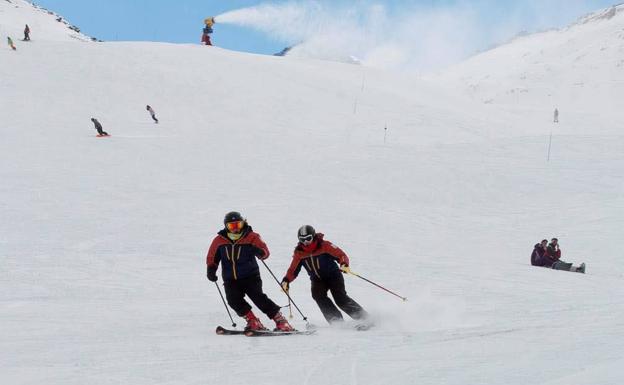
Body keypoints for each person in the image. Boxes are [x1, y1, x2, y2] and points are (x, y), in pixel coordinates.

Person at [206, 211, 294, 331]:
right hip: (230, 278)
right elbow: (212, 257)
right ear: (226, 226)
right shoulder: (219, 240)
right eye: (232, 226)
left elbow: (265, 251)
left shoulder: (251, 236)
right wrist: (211, 269)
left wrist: (260, 252)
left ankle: (281, 321)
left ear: (243, 224)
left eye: (238, 225)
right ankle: (253, 321)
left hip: (250, 276)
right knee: (233, 300)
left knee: (258, 298)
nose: (235, 229)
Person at [281, 225, 368, 324]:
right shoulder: (300, 253)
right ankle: (336, 320)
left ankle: (363, 318)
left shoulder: (324, 245)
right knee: (318, 295)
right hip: (317, 279)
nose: (305, 242)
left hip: (333, 276)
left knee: (340, 299)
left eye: (308, 238)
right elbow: (293, 269)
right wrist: (286, 280)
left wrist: (344, 264)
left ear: (313, 236)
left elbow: (341, 255)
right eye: (302, 239)